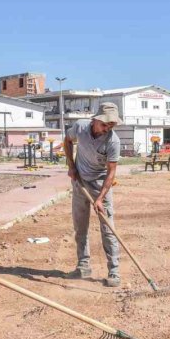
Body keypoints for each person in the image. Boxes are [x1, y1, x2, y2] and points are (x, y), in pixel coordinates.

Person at [63, 102, 122, 287]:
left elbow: (111, 173)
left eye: (111, 125)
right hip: (80, 182)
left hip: (100, 185)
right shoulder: (80, 127)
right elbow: (67, 141)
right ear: (95, 119)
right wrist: (71, 166)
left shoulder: (113, 141)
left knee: (107, 228)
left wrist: (100, 198)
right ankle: (83, 265)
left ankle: (114, 271)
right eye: (104, 124)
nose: (107, 129)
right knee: (80, 226)